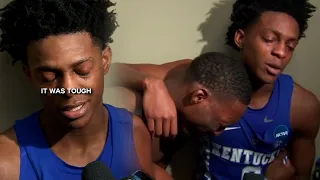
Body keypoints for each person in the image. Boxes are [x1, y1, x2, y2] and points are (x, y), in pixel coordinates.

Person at [105, 0, 320, 179]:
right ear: (240, 38)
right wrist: (152, 84)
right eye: (270, 39)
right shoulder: (201, 75)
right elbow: (109, 72)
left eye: (290, 46)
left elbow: (301, 175)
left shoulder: (303, 107)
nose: (281, 52)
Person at [0, 0, 155, 180]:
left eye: (83, 71)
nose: (68, 89)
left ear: (105, 60)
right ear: (30, 76)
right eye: (49, 77)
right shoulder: (7, 161)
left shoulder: (134, 133)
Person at [106, 51, 252, 179]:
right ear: (198, 97)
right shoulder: (127, 106)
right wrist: (151, 83)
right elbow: (105, 72)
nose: (218, 133)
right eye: (220, 125)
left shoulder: (194, 113)